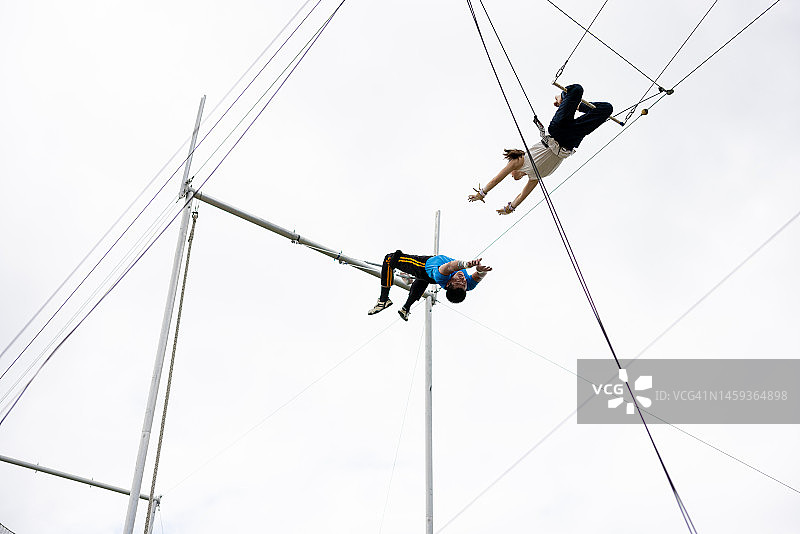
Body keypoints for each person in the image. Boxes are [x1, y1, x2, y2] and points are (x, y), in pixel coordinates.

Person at [468, 84, 613, 214]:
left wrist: (482, 193)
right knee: (607, 109)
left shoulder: (519, 161)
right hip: (571, 141)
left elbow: (496, 179)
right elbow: (522, 196)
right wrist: (510, 208)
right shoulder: (534, 177)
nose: (513, 177)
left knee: (577, 89)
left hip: (558, 131)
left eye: (512, 175)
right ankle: (575, 105)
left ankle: (563, 98)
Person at [367, 251, 492, 321]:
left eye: (458, 281)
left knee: (390, 259)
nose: (462, 278)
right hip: (429, 276)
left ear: (448, 284)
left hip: (423, 266)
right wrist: (481, 270)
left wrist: (466, 264)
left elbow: (450, 266)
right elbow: (478, 276)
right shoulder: (467, 286)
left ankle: (383, 300)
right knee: (421, 281)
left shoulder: (442, 276)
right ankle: (406, 308)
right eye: (463, 283)